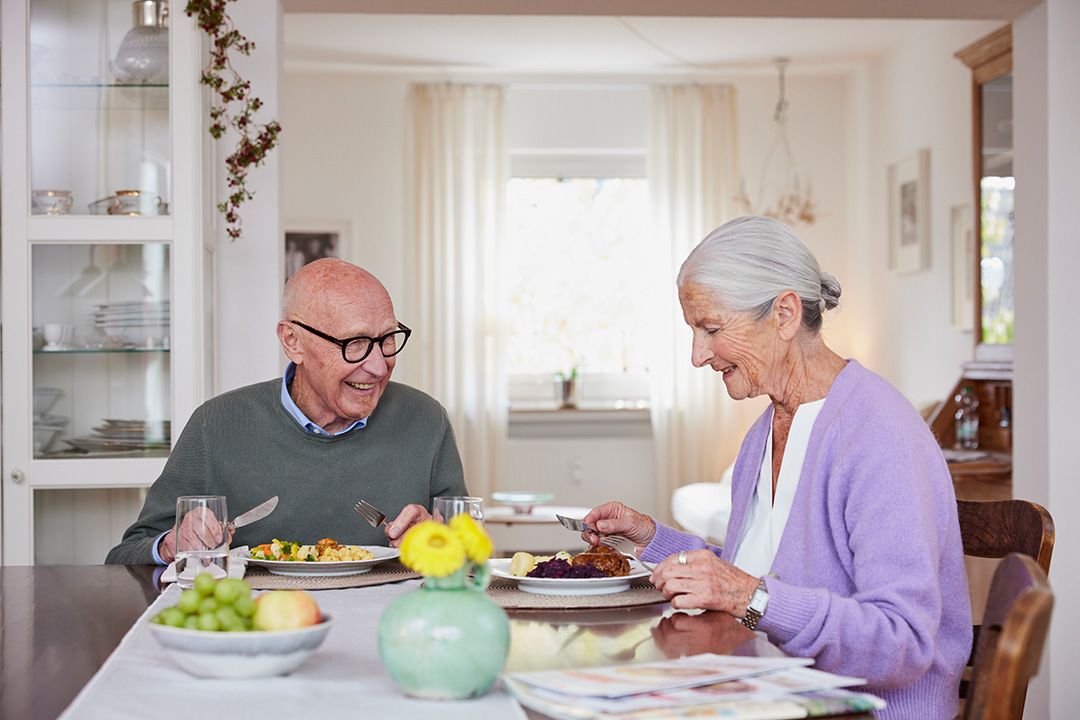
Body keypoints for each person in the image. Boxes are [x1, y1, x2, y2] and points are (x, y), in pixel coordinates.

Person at [581, 216, 971, 719]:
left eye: (711, 329)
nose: (698, 356)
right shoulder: (765, 431)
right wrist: (649, 536)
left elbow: (902, 640)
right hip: (767, 695)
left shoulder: (879, 434)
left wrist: (748, 596)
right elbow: (760, 574)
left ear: (784, 314)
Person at [106, 259, 466, 565]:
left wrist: (441, 545)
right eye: (354, 344)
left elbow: (472, 560)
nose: (378, 365)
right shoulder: (215, 425)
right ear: (293, 342)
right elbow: (125, 556)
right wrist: (171, 546)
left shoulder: (426, 420)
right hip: (257, 632)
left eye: (387, 340)